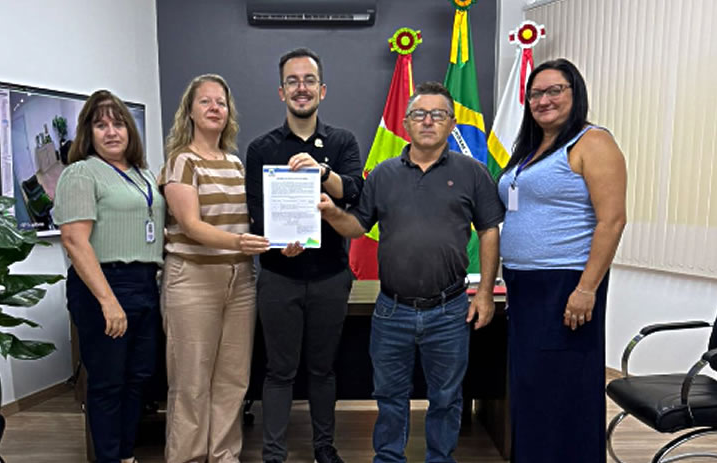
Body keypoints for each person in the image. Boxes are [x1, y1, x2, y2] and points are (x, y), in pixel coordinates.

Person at [318, 81, 505, 463]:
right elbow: (358, 226)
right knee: (389, 398)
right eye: (420, 114)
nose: (428, 121)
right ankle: (388, 458)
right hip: (392, 309)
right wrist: (332, 213)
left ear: (452, 124)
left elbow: (489, 230)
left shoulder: (473, 172)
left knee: (446, 397)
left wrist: (485, 292)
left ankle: (440, 458)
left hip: (450, 308)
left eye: (438, 114)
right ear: (405, 123)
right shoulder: (383, 174)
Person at [496, 58, 627, 463]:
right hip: (524, 287)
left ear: (576, 94)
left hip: (566, 287)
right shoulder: (531, 149)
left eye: (555, 90)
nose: (544, 99)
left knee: (566, 389)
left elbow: (612, 220)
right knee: (531, 387)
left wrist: (586, 288)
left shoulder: (592, 142)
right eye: (536, 93)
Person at [245, 47, 364, 463]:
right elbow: (258, 215)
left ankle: (323, 449)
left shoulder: (342, 142)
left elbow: (353, 192)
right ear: (281, 92)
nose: (301, 88)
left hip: (331, 275)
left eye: (309, 80)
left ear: (322, 90)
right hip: (279, 275)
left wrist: (321, 170)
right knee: (279, 371)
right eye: (293, 81)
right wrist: (279, 240)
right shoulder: (261, 149)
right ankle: (274, 454)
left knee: (323, 370)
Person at [158, 74, 269, 463]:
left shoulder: (236, 164)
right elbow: (191, 225)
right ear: (189, 111)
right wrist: (240, 242)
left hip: (240, 281)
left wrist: (284, 239)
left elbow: (250, 221)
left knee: (233, 380)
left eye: (220, 102)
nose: (214, 109)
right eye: (205, 102)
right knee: (191, 382)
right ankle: (187, 458)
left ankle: (223, 455)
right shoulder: (181, 162)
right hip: (193, 279)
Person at [54, 90, 165, 463]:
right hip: (104, 286)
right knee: (107, 384)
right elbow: (74, 239)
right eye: (101, 125)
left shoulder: (142, 174)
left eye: (118, 123)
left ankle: (125, 455)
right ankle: (108, 457)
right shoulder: (81, 173)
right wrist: (108, 301)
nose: (112, 132)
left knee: (139, 380)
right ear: (88, 133)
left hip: (145, 284)